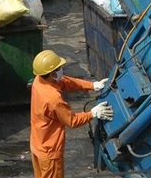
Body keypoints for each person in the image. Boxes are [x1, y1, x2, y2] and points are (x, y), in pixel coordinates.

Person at [30, 49, 114, 178]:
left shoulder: (39, 80)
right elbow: (71, 121)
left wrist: (92, 85)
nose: (61, 70)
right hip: (50, 151)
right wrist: (92, 113)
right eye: (59, 68)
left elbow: (65, 82)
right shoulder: (53, 99)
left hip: (38, 143)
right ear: (52, 74)